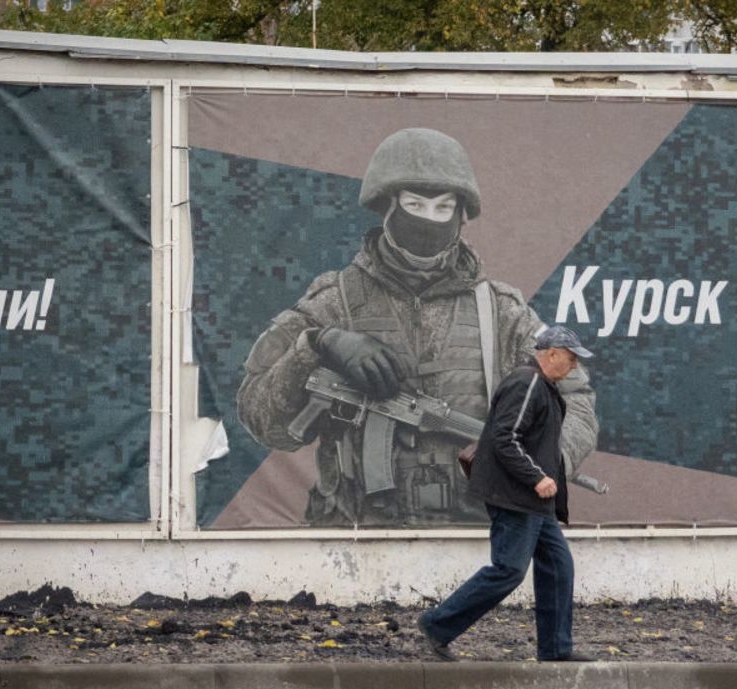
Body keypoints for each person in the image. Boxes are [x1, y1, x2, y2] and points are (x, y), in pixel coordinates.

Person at [236, 128, 598, 526]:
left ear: (462, 214)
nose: (429, 220)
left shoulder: (501, 311)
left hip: (476, 535)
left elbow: (574, 401)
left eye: (443, 208)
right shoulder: (334, 301)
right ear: (388, 205)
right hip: (352, 537)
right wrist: (316, 344)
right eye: (415, 204)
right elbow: (262, 418)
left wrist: (546, 461)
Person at [417, 325, 595, 662]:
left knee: (559, 568)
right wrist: (536, 478)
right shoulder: (527, 382)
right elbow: (505, 437)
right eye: (571, 359)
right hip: (516, 497)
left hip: (535, 502)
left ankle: (556, 650)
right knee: (508, 570)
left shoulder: (542, 386)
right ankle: (437, 625)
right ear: (552, 354)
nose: (574, 367)